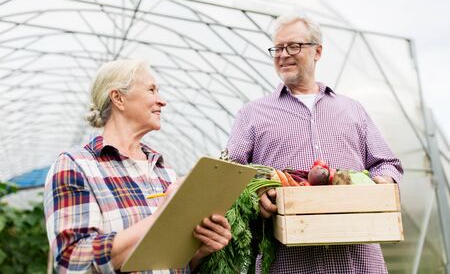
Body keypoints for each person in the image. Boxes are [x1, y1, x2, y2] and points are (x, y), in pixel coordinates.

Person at [227, 14, 403, 273]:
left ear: (317, 51)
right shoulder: (252, 114)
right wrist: (256, 194)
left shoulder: (352, 110)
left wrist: (380, 183)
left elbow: (386, 163)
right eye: (277, 48)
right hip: (287, 263)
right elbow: (231, 173)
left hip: (358, 262)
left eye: (294, 46)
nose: (283, 54)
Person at [43, 60, 231, 273]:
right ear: (118, 98)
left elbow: (171, 264)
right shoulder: (75, 166)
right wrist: (162, 216)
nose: (162, 101)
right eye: (151, 90)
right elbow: (73, 261)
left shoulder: (163, 170)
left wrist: (200, 250)